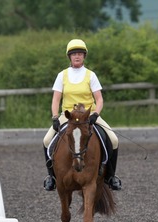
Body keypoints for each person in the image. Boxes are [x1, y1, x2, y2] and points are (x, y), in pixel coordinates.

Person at [43, 39, 121, 191]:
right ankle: (51, 177)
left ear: (84, 56)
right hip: (68, 115)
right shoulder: (62, 75)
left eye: (80, 54)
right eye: (74, 54)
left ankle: (111, 176)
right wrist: (54, 117)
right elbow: (56, 99)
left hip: (88, 115)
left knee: (114, 139)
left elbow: (99, 99)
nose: (77, 56)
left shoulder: (91, 75)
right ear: (69, 57)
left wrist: (95, 114)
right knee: (46, 141)